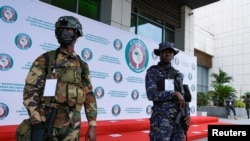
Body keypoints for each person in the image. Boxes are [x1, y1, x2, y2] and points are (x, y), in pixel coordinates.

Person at [22, 16, 97, 141]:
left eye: (68, 29)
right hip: (47, 123)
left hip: (72, 128)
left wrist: (92, 125)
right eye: (60, 29)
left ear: (77, 34)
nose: (63, 32)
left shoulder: (82, 66)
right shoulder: (46, 59)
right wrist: (37, 124)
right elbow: (30, 91)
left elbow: (89, 96)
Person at [145, 42, 191, 141]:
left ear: (173, 55)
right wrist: (173, 93)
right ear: (160, 54)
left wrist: (187, 113)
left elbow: (183, 96)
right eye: (165, 51)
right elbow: (151, 94)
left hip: (178, 121)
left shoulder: (177, 74)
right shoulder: (153, 71)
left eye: (170, 52)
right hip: (161, 121)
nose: (168, 54)